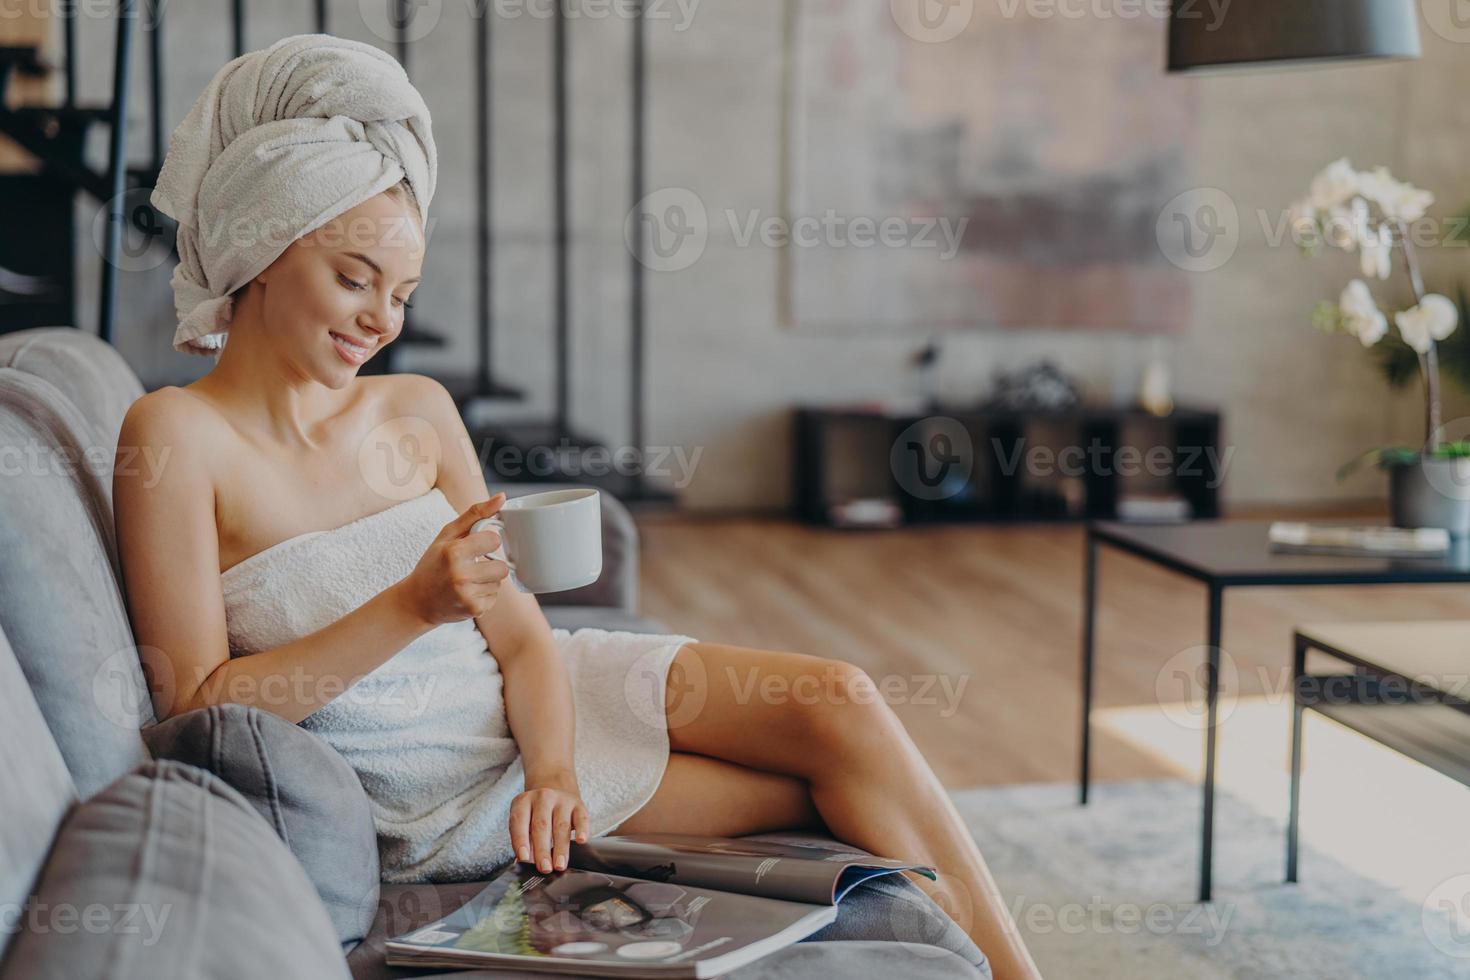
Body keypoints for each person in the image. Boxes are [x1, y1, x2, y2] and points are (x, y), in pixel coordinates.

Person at [113, 34, 1039, 980]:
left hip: (544, 710)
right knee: (812, 789)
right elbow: (198, 710)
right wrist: (411, 608)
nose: (381, 320)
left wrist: (554, 769)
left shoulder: (417, 410)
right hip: (442, 797)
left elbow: (521, 639)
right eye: (354, 278)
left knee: (838, 698)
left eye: (401, 292)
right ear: (260, 247)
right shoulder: (176, 436)